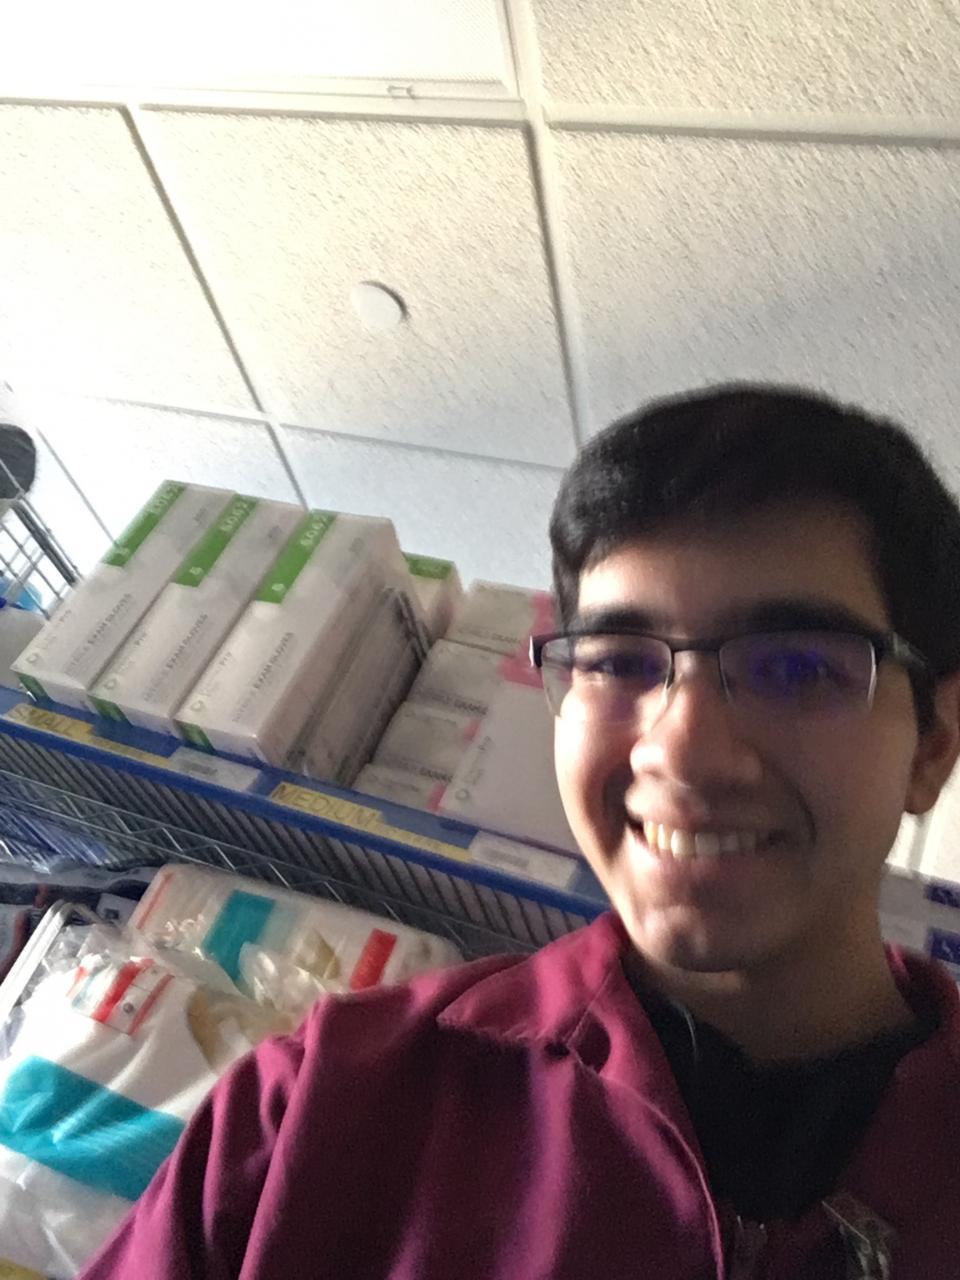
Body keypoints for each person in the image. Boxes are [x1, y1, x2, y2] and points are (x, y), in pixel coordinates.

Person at [78, 385, 960, 1279]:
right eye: (619, 663)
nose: (682, 751)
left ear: (934, 744)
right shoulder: (309, 1114)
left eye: (795, 668)